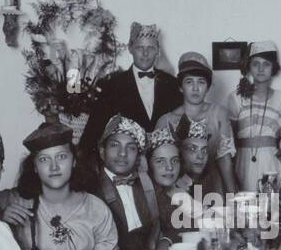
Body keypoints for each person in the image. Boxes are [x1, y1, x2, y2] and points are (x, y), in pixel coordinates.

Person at [9, 122, 121, 250]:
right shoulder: (15, 202)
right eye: (44, 159)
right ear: (34, 167)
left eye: (61, 157)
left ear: (74, 160)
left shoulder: (96, 209)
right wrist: (0, 221)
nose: (54, 167)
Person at [78, 21, 180, 158]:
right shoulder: (111, 86)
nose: (145, 53)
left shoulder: (172, 84)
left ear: (157, 50)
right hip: (125, 165)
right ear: (130, 48)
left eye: (150, 48)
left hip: (164, 164)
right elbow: (92, 133)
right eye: (140, 48)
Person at [155, 51, 238, 193]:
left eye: (201, 82)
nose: (195, 88)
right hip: (176, 189)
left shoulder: (219, 113)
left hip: (212, 186)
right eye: (189, 82)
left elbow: (225, 160)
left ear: (208, 87)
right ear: (180, 87)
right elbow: (157, 164)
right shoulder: (166, 120)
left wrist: (232, 197)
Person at [93, 115, 160, 250]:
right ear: (102, 151)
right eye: (115, 145)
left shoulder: (147, 184)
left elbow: (169, 220)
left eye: (131, 147)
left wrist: (162, 246)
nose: (122, 153)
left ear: (138, 157)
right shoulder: (90, 189)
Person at [229, 40, 281, 193]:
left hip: (271, 160)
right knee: (246, 208)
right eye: (256, 64)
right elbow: (231, 136)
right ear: (249, 67)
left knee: (272, 208)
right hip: (243, 160)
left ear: (273, 68)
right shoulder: (236, 98)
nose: (261, 69)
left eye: (266, 64)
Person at [146, 127, 184, 250]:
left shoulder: (173, 193)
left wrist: (166, 240)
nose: (169, 168)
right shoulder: (143, 195)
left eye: (175, 161)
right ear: (148, 164)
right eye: (160, 161)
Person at [175, 119, 223, 196]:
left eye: (204, 150)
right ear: (179, 151)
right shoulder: (168, 183)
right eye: (193, 149)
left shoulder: (211, 180)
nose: (200, 156)